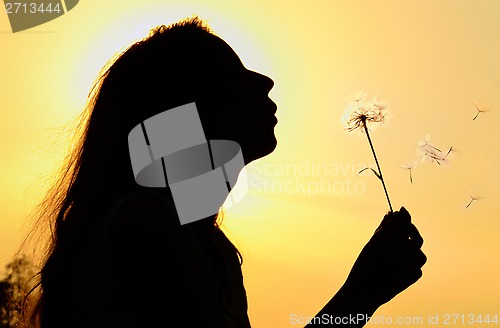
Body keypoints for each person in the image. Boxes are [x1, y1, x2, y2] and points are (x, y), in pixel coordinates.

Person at [25, 16, 426, 327]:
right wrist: (359, 297)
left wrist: (364, 293)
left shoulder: (201, 242)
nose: (265, 81)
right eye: (233, 74)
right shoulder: (145, 226)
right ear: (183, 111)